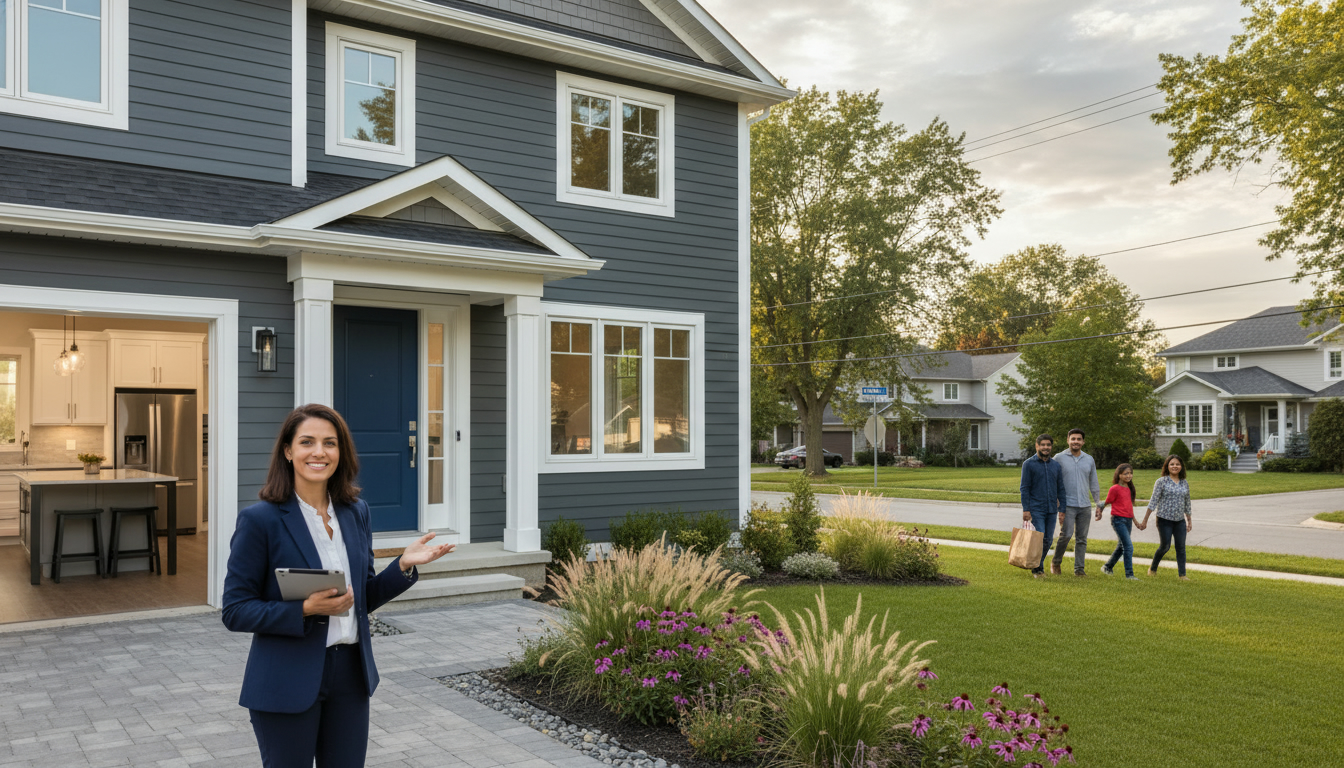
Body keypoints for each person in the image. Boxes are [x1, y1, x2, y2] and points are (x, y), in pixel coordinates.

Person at [222, 404, 456, 768]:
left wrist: (404, 565)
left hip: (350, 675)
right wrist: (304, 609)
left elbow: (361, 596)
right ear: (288, 450)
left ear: (341, 452)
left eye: (330, 443)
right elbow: (235, 610)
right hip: (286, 678)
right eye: (307, 442)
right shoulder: (260, 520)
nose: (319, 452)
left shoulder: (355, 511)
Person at [1050, 428, 1100, 576]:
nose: (1076, 441)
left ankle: (1079, 569)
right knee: (1066, 535)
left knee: (1082, 539)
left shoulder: (1089, 459)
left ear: (1083, 442)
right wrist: (1058, 505)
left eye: (1078, 439)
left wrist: (1098, 503)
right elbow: (1052, 481)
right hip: (1067, 505)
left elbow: (1094, 483)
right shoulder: (1058, 458)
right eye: (1073, 439)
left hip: (1085, 505)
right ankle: (1056, 562)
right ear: (1068, 440)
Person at [1140, 454, 1193, 581]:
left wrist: (1189, 520)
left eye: (1177, 464)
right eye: (1172, 464)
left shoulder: (1184, 483)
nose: (1175, 466)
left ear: (1181, 467)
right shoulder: (1161, 482)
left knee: (1181, 547)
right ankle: (1152, 569)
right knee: (1165, 546)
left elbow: (1187, 503)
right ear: (1167, 466)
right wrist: (1145, 520)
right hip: (1164, 520)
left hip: (1179, 520)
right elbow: (1153, 501)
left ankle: (1182, 575)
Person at [1019, 433, 1065, 578]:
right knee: (1039, 537)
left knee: (1048, 540)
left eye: (1048, 445)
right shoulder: (1029, 464)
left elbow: (1061, 489)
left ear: (1051, 447)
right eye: (1043, 445)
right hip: (1036, 508)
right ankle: (1037, 569)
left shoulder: (1056, 466)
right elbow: (1024, 488)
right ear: (1037, 446)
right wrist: (1026, 509)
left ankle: (1037, 563)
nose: (1046, 447)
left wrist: (1062, 509)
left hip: (1052, 509)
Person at [1096, 463, 1145, 579]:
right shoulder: (1115, 489)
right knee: (1128, 547)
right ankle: (1130, 575)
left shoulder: (1129, 488)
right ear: (1119, 475)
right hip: (1118, 520)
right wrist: (1099, 511)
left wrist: (1136, 522)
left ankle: (1107, 567)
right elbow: (1107, 502)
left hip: (1128, 520)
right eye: (1125, 473)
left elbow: (1129, 508)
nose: (1129, 476)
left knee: (1121, 546)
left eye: (1130, 473)